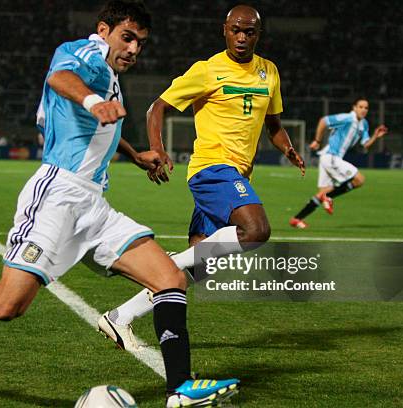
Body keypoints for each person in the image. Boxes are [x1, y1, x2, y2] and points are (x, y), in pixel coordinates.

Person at [0, 2, 239, 406]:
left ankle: (180, 389)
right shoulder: (86, 53)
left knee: (168, 277)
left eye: (141, 43)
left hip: (94, 205)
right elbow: (60, 77)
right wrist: (91, 103)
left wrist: (135, 156)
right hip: (57, 196)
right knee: (5, 306)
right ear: (104, 30)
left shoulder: (110, 77)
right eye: (127, 37)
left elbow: (99, 132)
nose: (134, 49)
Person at [98, 4, 305, 351]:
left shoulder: (269, 72)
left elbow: (274, 125)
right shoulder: (208, 70)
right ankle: (158, 264)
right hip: (212, 168)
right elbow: (157, 107)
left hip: (237, 173)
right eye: (235, 30)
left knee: (198, 266)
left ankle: (119, 317)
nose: (241, 37)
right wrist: (157, 149)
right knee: (256, 230)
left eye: (249, 32)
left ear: (258, 34)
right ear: (224, 29)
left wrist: (288, 149)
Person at [289, 98, 388, 229]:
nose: (363, 110)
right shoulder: (347, 118)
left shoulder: (364, 124)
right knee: (359, 179)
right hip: (331, 157)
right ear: (354, 108)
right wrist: (317, 141)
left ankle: (296, 219)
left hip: (328, 159)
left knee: (321, 194)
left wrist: (375, 136)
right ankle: (328, 197)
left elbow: (365, 144)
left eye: (366, 108)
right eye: (360, 107)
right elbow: (324, 121)